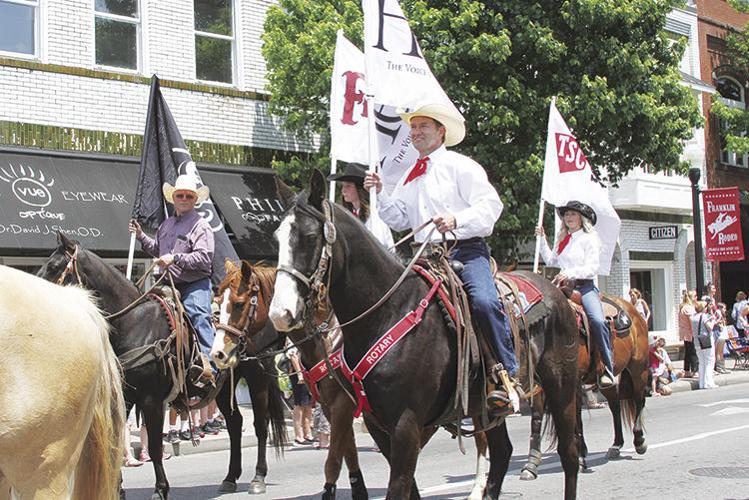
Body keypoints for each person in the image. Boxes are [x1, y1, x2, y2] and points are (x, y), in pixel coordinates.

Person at [364, 103, 520, 413]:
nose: (417, 131)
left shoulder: (462, 166)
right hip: (424, 256)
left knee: (484, 303)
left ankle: (507, 374)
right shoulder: (410, 174)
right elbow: (398, 219)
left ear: (441, 132)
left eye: (424, 126)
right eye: (414, 126)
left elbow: (491, 207)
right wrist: (381, 192)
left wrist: (456, 220)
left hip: (464, 250)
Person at [129, 174, 216, 387]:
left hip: (193, 284)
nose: (184, 198)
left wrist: (176, 258)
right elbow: (157, 250)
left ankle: (209, 365)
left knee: (198, 314)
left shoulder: (201, 226)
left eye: (188, 195)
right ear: (173, 198)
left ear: (195, 200)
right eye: (180, 195)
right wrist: (141, 236)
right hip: (166, 282)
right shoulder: (165, 225)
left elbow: (205, 258)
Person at [535, 201, 616, 388]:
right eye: (566, 215)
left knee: (596, 319)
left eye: (573, 214)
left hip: (584, 287)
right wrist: (542, 240)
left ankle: (607, 367)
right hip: (562, 287)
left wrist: (570, 273)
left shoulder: (589, 239)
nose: (569, 217)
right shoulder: (563, 240)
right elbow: (550, 260)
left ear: (581, 218)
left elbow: (592, 267)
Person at [328, 162, 394, 248]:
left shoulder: (375, 218)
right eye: (343, 186)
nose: (343, 190)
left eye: (348, 186)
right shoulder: (351, 214)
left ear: (360, 188)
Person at [691, 301, 718, 390]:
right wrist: (713, 321)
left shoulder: (693, 317)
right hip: (706, 340)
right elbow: (709, 328)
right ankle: (709, 383)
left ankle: (702, 383)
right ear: (703, 308)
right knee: (709, 361)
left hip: (696, 341)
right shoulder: (704, 316)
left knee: (701, 362)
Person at [678, 290, 699, 378]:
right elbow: (692, 321)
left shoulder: (684, 307)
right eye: (695, 296)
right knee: (693, 352)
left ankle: (686, 370)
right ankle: (694, 371)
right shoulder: (688, 308)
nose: (696, 298)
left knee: (688, 352)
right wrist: (696, 331)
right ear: (691, 298)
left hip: (686, 333)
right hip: (690, 333)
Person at [715, 302, 731, 374]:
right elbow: (718, 324)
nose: (725, 310)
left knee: (721, 352)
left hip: (723, 335)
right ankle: (719, 367)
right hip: (720, 335)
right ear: (720, 309)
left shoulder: (722, 317)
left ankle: (722, 367)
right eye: (724, 308)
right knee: (719, 352)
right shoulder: (718, 315)